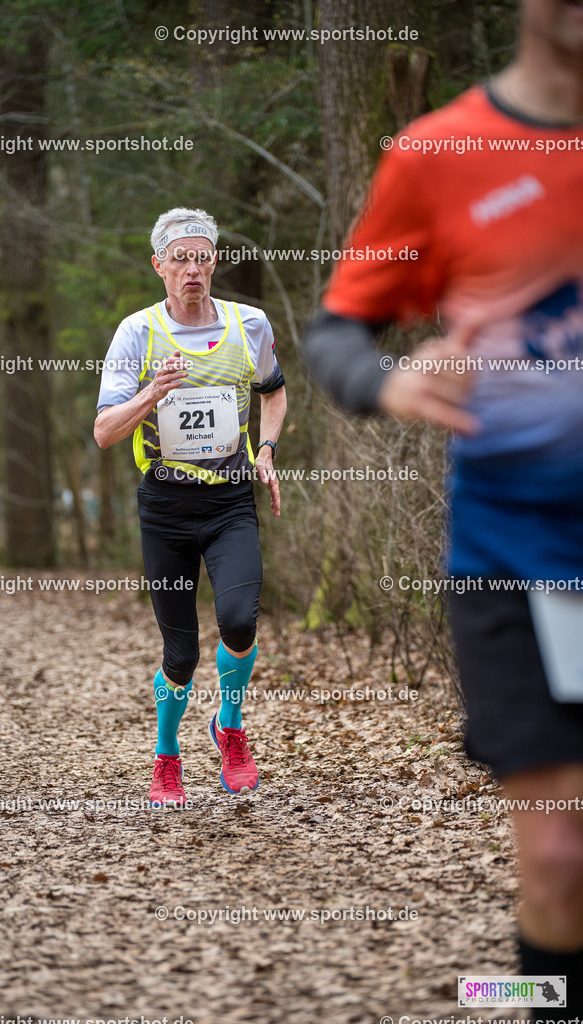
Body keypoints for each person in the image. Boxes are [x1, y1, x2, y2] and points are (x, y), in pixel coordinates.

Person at [303, 0, 583, 1015]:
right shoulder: (440, 153)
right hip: (515, 550)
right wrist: (383, 384)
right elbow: (335, 330)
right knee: (557, 846)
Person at [95, 207, 286, 808]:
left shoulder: (248, 324)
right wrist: (152, 393)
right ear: (159, 266)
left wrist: (269, 448)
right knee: (181, 656)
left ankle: (229, 727)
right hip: (166, 508)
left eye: (202, 256)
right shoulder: (136, 333)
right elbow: (103, 432)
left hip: (230, 500)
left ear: (214, 262)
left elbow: (274, 392)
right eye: (179, 258)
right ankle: (166, 758)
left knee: (238, 619)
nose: (192, 268)